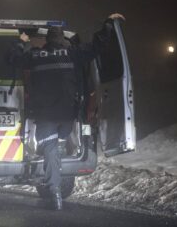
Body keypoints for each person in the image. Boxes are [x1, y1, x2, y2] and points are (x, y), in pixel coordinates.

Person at [10, 13, 125, 210]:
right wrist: (108, 25)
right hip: (67, 116)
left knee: (50, 148)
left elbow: (13, 59)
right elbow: (97, 45)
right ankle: (58, 144)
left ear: (47, 41)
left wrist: (22, 41)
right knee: (58, 140)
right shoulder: (73, 53)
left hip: (46, 116)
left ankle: (54, 191)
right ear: (62, 40)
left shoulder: (36, 55)